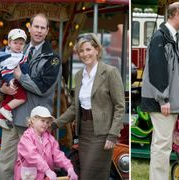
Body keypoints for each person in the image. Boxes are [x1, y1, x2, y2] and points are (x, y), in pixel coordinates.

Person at [0, 13, 61, 179]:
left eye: (42, 27)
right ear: (29, 28)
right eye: (35, 26)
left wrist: (20, 77)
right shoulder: (13, 50)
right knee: (5, 165)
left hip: (33, 124)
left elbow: (43, 88)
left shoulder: (53, 59)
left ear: (47, 31)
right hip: (11, 119)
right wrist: (2, 89)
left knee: (30, 170)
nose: (38, 31)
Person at [53, 33, 125, 180]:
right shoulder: (79, 75)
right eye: (81, 51)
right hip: (84, 132)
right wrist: (54, 124)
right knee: (86, 173)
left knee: (89, 175)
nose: (85, 54)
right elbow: (74, 107)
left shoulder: (110, 72)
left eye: (88, 49)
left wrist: (112, 135)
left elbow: (120, 106)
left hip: (102, 133)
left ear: (97, 50)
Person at [140, 2, 179, 180]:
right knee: (161, 145)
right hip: (163, 103)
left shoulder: (176, 38)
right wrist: (163, 100)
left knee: (164, 144)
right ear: (176, 14)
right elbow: (157, 71)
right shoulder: (160, 38)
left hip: (171, 102)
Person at [14, 106, 78, 180]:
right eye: (42, 120)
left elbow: (58, 155)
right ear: (33, 120)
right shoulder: (26, 138)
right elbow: (32, 156)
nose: (45, 124)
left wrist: (69, 167)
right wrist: (47, 170)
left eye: (47, 122)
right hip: (28, 176)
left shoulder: (50, 138)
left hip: (45, 176)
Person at [0, 28, 28, 129]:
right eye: (16, 43)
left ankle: (1, 117)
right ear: (9, 43)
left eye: (21, 43)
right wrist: (9, 81)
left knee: (10, 98)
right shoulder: (7, 56)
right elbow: (4, 71)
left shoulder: (19, 55)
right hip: (11, 81)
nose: (18, 45)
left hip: (15, 82)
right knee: (21, 98)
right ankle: (5, 111)